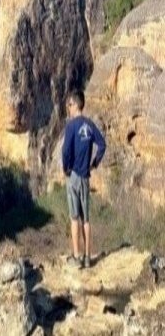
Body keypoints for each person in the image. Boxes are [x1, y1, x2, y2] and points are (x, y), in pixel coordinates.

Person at [62, 90, 106, 269]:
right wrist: (94, 164)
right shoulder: (89, 125)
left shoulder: (72, 126)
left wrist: (65, 168)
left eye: (69, 105)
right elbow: (102, 145)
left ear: (74, 104)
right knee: (86, 220)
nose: (68, 109)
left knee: (74, 218)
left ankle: (77, 257)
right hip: (86, 177)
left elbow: (65, 151)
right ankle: (88, 258)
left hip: (73, 176)